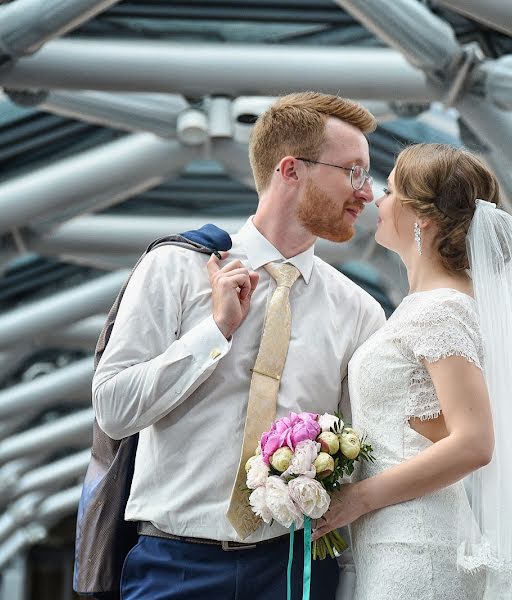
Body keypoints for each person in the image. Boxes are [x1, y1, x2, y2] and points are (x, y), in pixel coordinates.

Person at [92, 92, 386, 600]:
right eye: (353, 172)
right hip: (173, 567)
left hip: (296, 570)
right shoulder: (175, 268)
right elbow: (114, 411)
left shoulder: (360, 311)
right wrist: (216, 332)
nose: (368, 193)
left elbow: (360, 461)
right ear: (291, 170)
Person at [312, 144, 512, 600]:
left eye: (391, 190)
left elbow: (474, 442)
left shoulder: (442, 310)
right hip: (399, 539)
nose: (377, 199)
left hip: (416, 546)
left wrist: (357, 498)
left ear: (423, 219)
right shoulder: (433, 308)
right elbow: (437, 421)